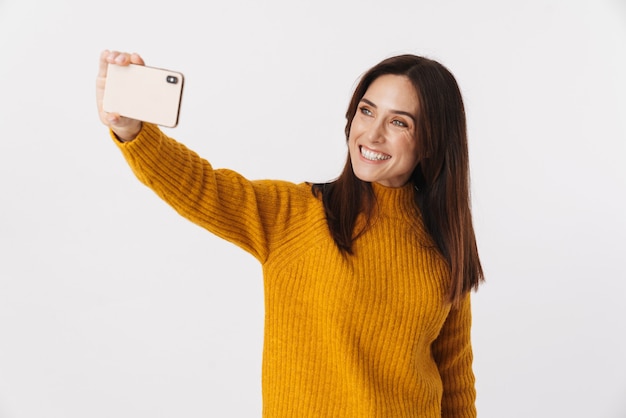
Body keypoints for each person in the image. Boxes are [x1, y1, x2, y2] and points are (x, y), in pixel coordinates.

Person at [96, 49, 484, 417]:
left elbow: (455, 380)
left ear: (431, 142)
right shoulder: (296, 215)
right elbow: (202, 187)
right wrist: (133, 131)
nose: (373, 133)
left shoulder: (445, 244)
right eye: (367, 111)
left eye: (399, 122)